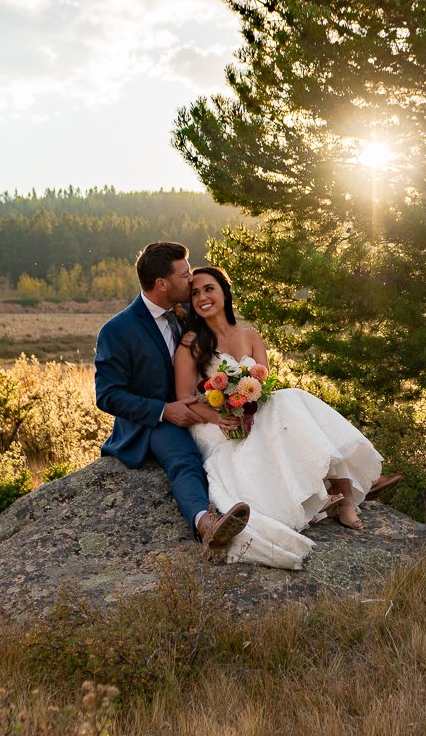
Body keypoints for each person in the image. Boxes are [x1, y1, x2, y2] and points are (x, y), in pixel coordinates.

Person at [173, 265, 399, 570]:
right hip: (214, 423)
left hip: (254, 410)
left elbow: (263, 385)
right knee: (281, 409)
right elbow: (185, 400)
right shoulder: (190, 344)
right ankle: (319, 500)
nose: (202, 297)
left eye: (208, 289)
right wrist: (220, 418)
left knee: (288, 399)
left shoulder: (249, 334)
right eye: (195, 293)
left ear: (223, 291)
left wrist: (248, 405)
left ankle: (343, 495)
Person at [94, 242, 250, 554]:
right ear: (162, 284)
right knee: (184, 459)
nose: (192, 280)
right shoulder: (117, 330)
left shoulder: (190, 310)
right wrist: (165, 411)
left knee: (250, 436)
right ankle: (206, 524)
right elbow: (107, 396)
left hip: (204, 407)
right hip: (154, 421)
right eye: (185, 275)